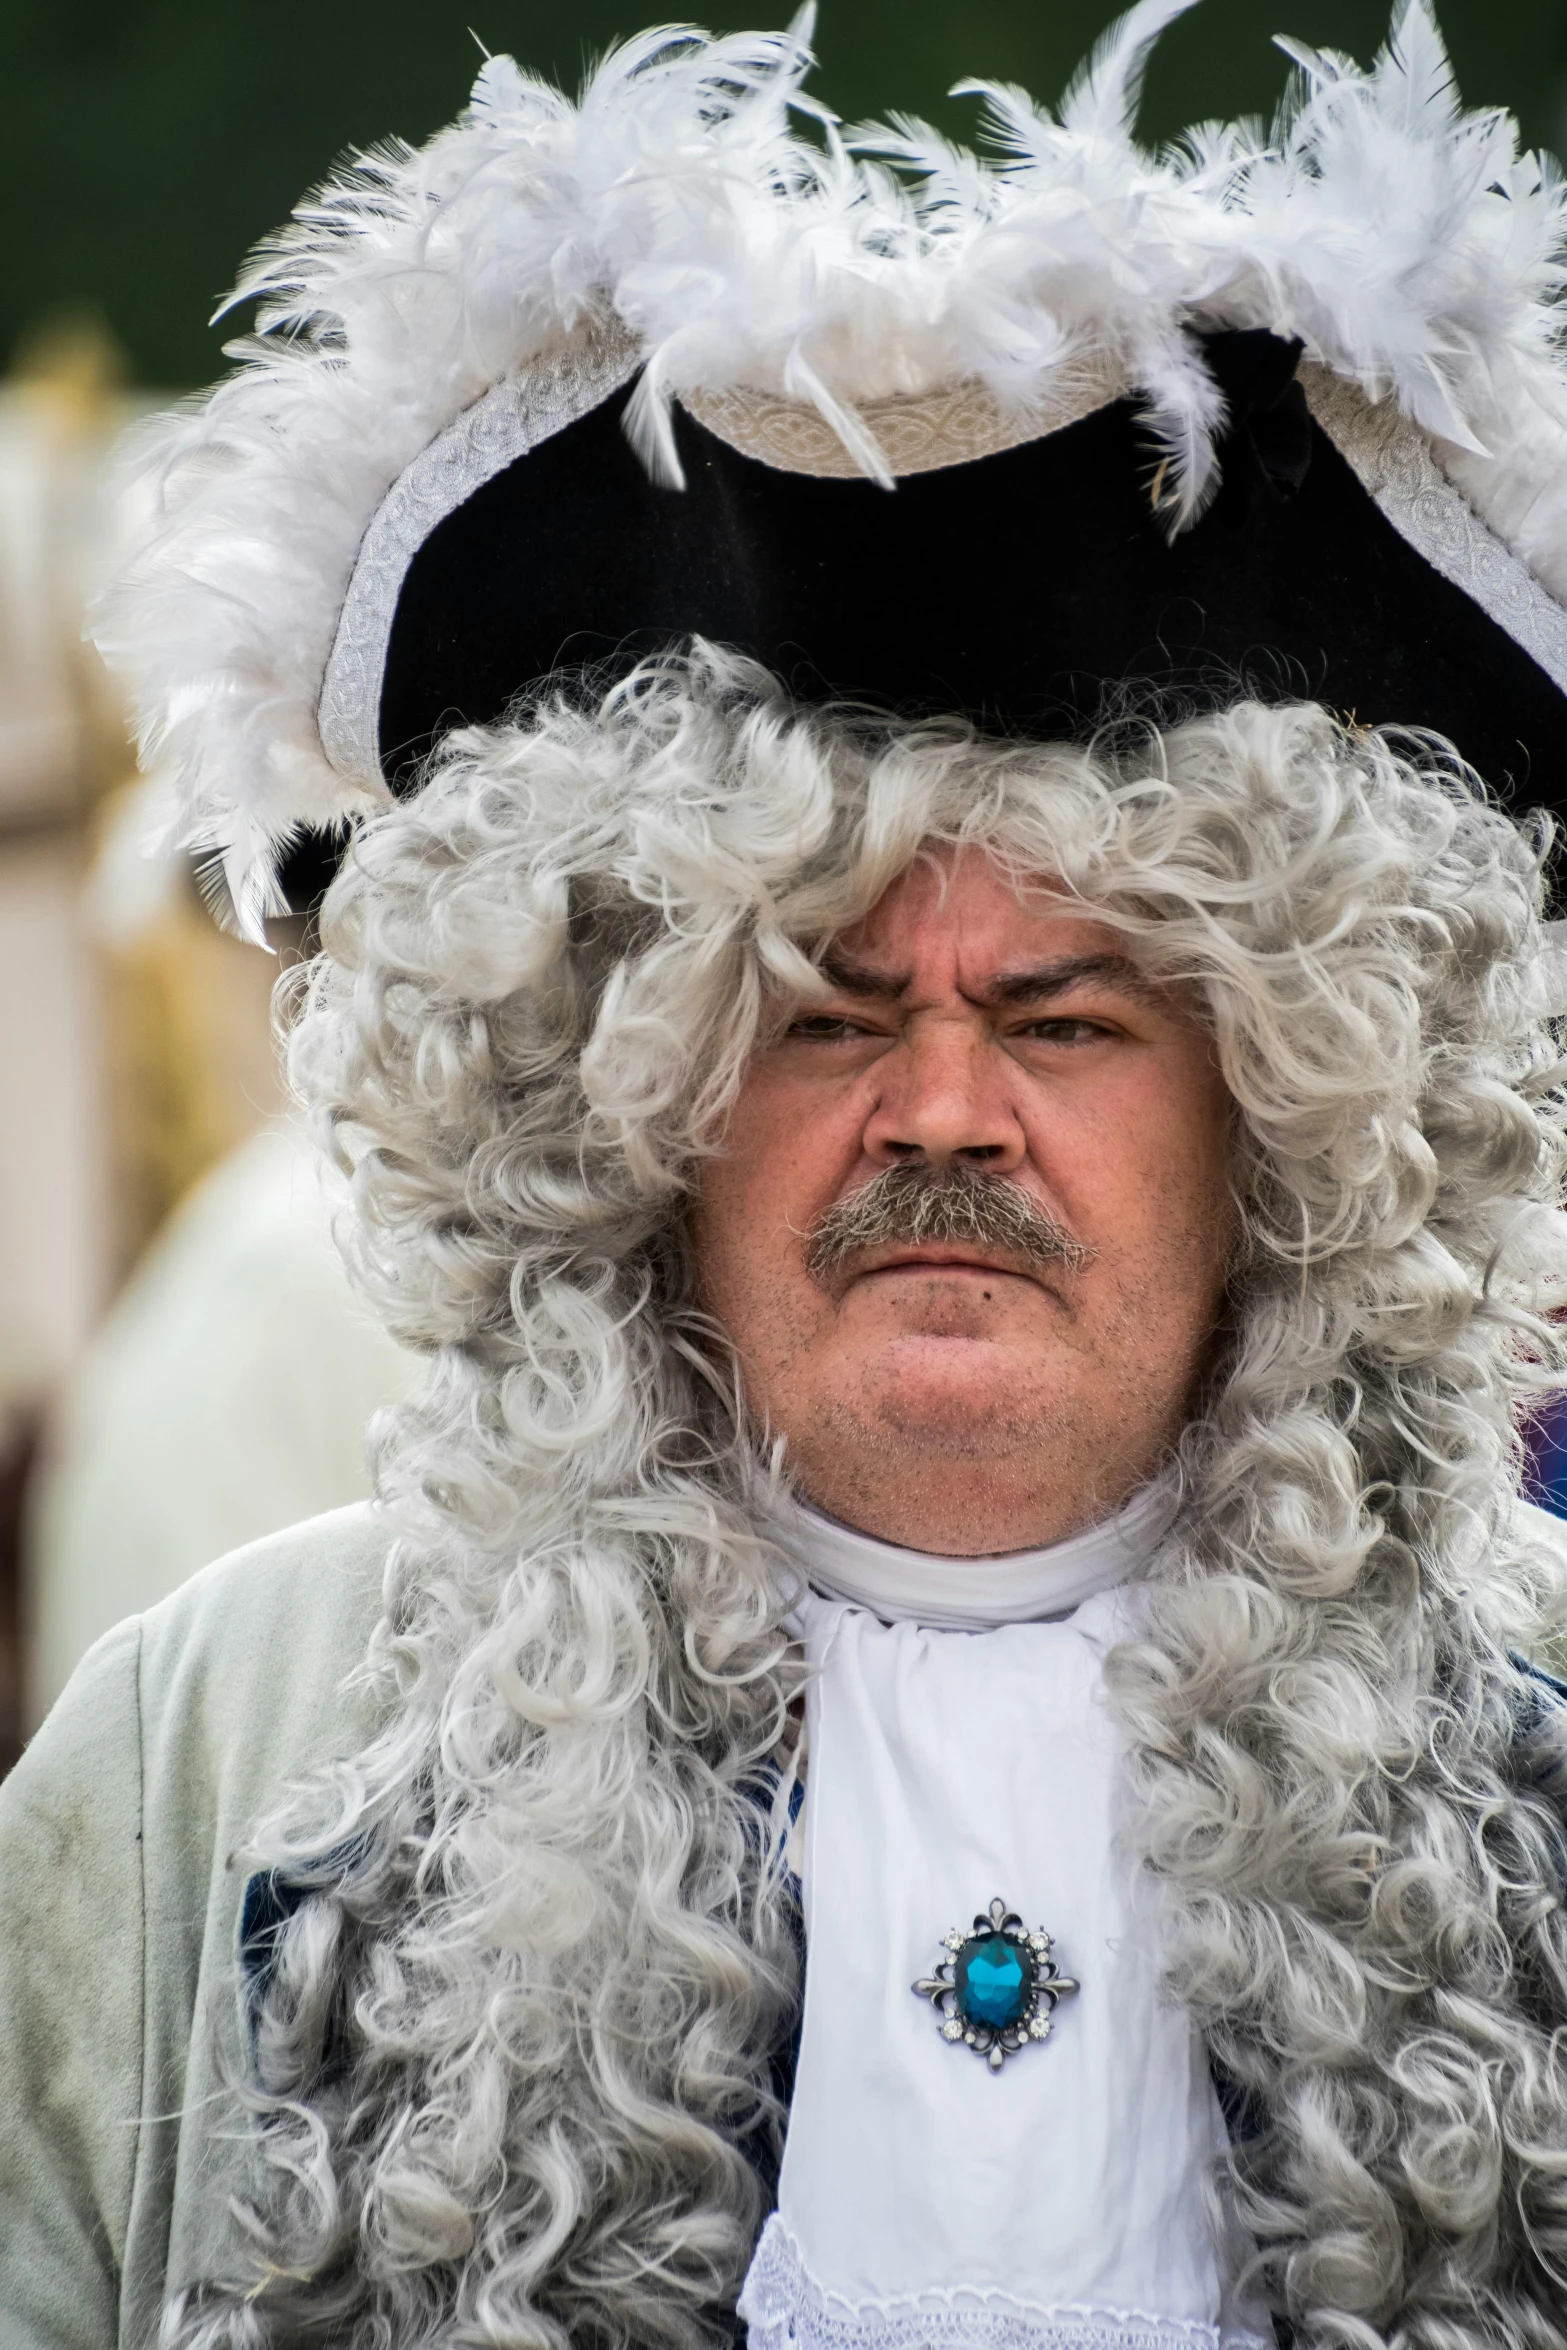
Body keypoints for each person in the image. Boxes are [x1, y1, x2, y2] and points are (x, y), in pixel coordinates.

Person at [6, 7, 1567, 2346]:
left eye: (1066, 1017)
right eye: (828, 1012)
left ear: (1290, 1111)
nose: (944, 1107)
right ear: (630, 1097)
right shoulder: (219, 1738)